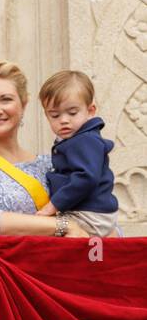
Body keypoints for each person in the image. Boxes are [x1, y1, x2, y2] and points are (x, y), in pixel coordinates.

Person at [0, 59, 88, 238]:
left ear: (23, 104)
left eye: (6, 99)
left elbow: (92, 213)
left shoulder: (52, 163)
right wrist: (63, 225)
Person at [34, 70, 119, 238]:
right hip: (91, 212)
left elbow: (86, 177)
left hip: (90, 214)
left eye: (72, 113)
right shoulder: (75, 139)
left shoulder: (84, 140)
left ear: (91, 110)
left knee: (43, 232)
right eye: (55, 115)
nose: (64, 120)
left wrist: (53, 206)